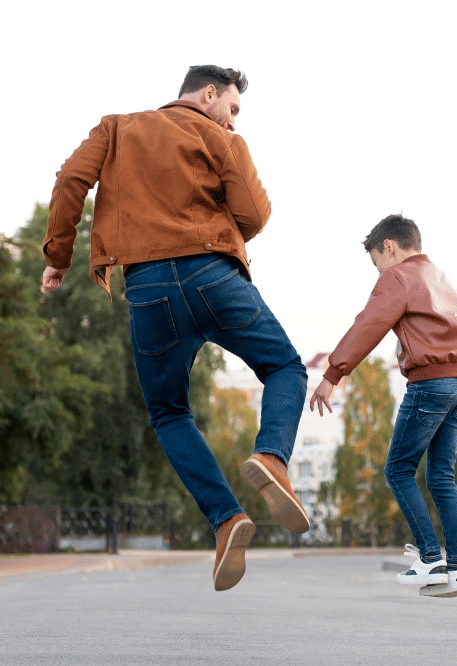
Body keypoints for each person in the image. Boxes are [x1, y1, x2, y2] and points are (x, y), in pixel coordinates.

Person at [40, 65, 309, 592]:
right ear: (209, 94)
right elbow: (255, 214)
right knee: (284, 367)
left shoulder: (115, 128)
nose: (233, 122)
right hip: (214, 277)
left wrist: (58, 255)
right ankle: (272, 458)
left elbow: (70, 180)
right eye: (232, 108)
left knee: (168, 413)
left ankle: (226, 520)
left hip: (148, 289)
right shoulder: (220, 139)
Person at [309, 214, 457, 597]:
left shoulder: (397, 277)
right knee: (442, 477)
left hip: (430, 384)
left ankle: (431, 558)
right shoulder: (442, 278)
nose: (378, 272)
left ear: (389, 247)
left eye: (376, 263)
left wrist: (333, 373)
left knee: (398, 470)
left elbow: (370, 323)